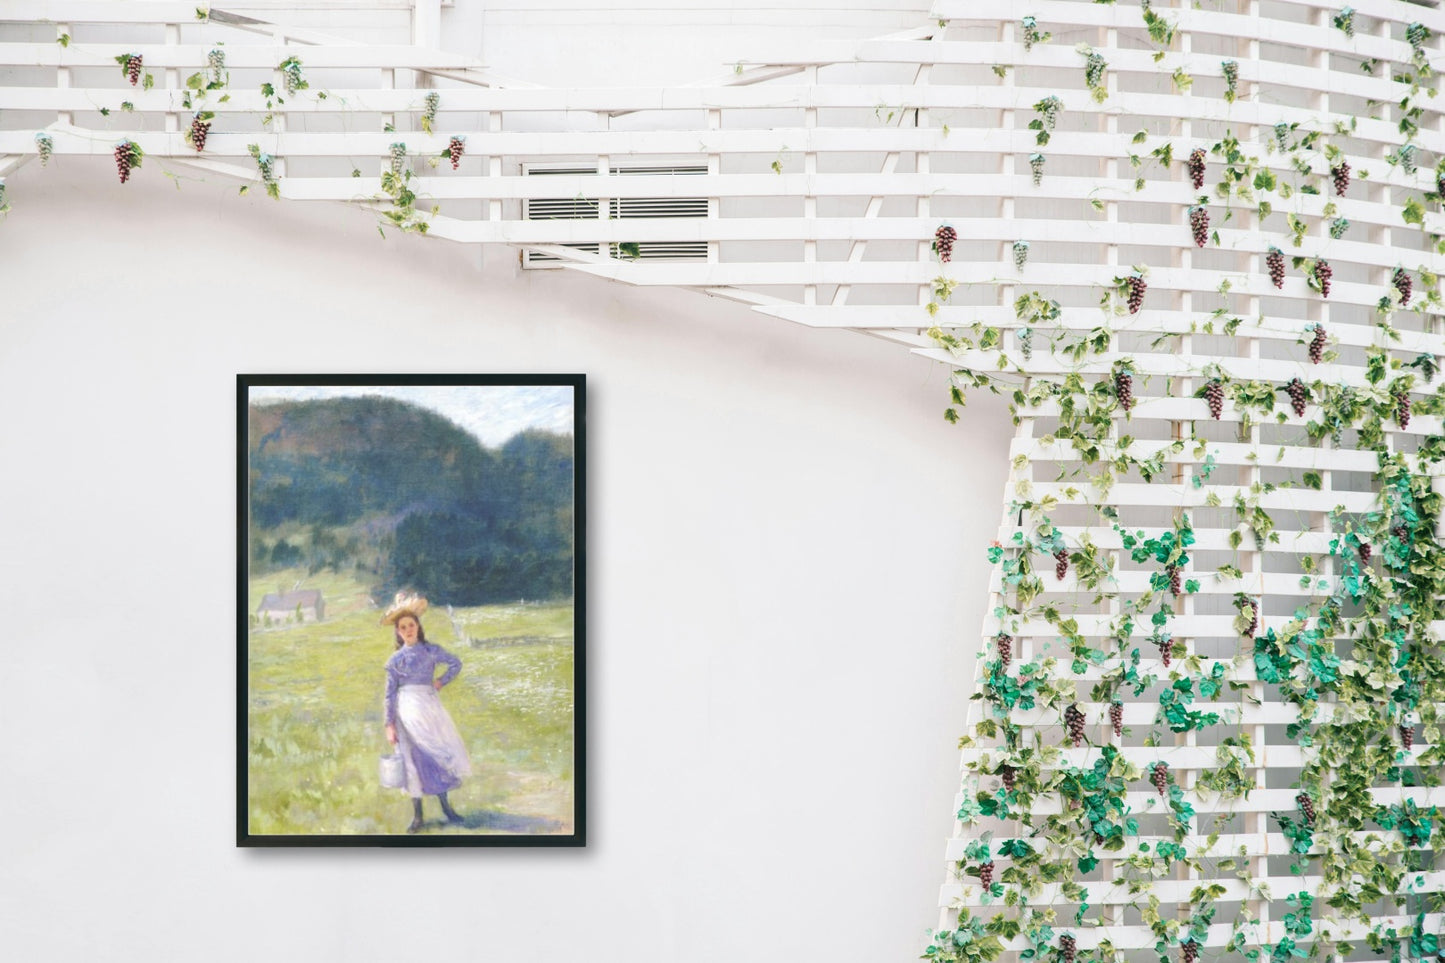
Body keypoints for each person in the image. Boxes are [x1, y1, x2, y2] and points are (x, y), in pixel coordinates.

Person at [381, 593, 472, 833]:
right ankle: (418, 816)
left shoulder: (431, 651)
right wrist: (389, 724)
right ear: (398, 633)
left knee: (437, 755)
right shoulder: (395, 661)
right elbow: (389, 694)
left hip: (429, 709)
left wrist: (440, 681)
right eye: (403, 627)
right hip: (406, 712)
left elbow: (455, 663)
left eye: (411, 625)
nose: (408, 630)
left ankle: (446, 808)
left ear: (418, 627)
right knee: (412, 760)